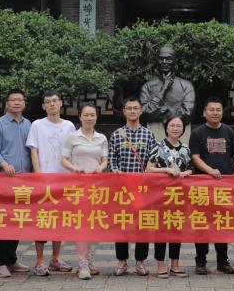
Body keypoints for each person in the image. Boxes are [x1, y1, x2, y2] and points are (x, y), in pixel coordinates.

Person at [27, 90, 76, 276]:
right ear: (43, 106)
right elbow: (34, 151)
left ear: (61, 103)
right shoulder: (37, 125)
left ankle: (56, 258)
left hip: (64, 180)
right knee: (41, 220)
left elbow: (72, 151)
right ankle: (39, 261)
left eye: (55, 101)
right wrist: (38, 175)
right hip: (44, 179)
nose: (52, 104)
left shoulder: (69, 126)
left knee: (59, 220)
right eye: (48, 102)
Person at [108, 95, 158, 276]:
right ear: (124, 111)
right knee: (122, 224)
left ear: (141, 111)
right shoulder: (116, 134)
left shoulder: (149, 134)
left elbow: (153, 160)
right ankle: (122, 261)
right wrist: (115, 171)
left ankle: (140, 261)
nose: (132, 111)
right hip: (122, 189)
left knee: (142, 224)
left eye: (135, 108)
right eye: (129, 108)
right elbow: (111, 159)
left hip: (143, 189)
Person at [189, 97, 234, 275]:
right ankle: (200, 261)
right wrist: (209, 170)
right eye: (211, 110)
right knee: (202, 223)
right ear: (204, 113)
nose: (215, 113)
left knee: (222, 223)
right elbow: (195, 157)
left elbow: (232, 156)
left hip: (223, 186)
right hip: (203, 186)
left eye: (218, 110)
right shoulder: (197, 133)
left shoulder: (229, 131)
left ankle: (222, 261)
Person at [61, 103, 108, 280]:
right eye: (86, 115)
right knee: (81, 224)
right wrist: (74, 168)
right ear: (80, 117)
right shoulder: (72, 137)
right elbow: (63, 159)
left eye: (92, 115)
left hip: (96, 187)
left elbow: (104, 160)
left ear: (96, 117)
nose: (89, 118)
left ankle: (88, 260)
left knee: (93, 223)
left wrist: (101, 168)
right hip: (77, 186)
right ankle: (82, 264)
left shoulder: (102, 138)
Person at [0, 90, 32, 278]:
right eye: (13, 100)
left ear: (24, 103)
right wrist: (4, 164)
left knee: (17, 220)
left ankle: (11, 259)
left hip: (24, 180)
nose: (16, 103)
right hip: (4, 179)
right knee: (2, 220)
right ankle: (0, 263)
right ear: (7, 103)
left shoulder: (29, 124)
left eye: (20, 100)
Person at [146, 115, 192, 278]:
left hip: (179, 196)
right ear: (166, 128)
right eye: (172, 125)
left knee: (176, 229)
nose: (175, 129)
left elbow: (190, 168)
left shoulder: (186, 149)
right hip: (160, 196)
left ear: (183, 129)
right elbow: (148, 169)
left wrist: (187, 172)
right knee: (161, 230)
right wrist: (166, 170)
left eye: (178, 126)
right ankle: (160, 264)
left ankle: (175, 264)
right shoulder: (157, 147)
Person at [140, 44, 196, 142]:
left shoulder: (186, 85)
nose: (164, 62)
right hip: (154, 130)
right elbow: (144, 113)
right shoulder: (147, 86)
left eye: (168, 59)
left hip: (180, 133)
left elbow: (188, 114)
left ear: (174, 61)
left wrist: (161, 112)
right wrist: (163, 89)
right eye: (161, 59)